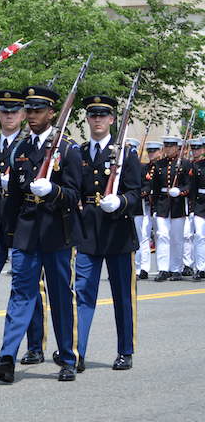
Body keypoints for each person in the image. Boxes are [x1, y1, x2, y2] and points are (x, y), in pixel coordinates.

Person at [0, 85, 81, 384]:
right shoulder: (21, 149)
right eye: (28, 110)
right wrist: (7, 235)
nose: (32, 116)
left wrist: (54, 190)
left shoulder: (68, 149)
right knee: (21, 293)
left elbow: (74, 195)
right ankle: (7, 355)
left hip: (57, 230)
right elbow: (13, 198)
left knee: (59, 296)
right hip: (26, 231)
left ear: (52, 113)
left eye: (38, 110)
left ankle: (68, 357)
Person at [73, 95, 141, 372]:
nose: (98, 119)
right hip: (89, 230)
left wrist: (121, 201)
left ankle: (125, 350)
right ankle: (78, 351)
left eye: (103, 115)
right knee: (83, 293)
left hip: (118, 231)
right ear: (88, 119)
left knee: (122, 295)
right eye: (93, 115)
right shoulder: (80, 152)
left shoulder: (126, 153)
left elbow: (136, 193)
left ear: (112, 119)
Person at [149, 135, 190, 281]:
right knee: (162, 236)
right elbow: (154, 188)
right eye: (166, 146)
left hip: (177, 205)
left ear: (177, 148)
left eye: (171, 146)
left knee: (177, 238)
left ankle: (176, 269)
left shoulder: (184, 164)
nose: (168, 149)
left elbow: (189, 185)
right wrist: (153, 208)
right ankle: (163, 268)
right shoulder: (159, 164)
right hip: (162, 205)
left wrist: (180, 191)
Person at [135, 140, 162, 279]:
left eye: (154, 151)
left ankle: (165, 267)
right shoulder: (143, 168)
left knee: (161, 237)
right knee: (143, 237)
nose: (151, 154)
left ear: (160, 151)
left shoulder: (162, 166)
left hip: (159, 206)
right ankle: (143, 268)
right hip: (145, 207)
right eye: (149, 151)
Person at [187, 138, 205, 281]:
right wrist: (192, 209)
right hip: (200, 204)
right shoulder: (198, 166)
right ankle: (201, 268)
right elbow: (192, 189)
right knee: (199, 236)